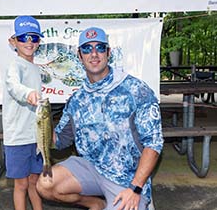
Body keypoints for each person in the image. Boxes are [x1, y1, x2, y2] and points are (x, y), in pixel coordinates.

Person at [36, 27, 164, 210]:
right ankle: (96, 204)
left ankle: (143, 201)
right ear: (80, 56)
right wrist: (39, 124)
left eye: (100, 48)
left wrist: (135, 188)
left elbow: (154, 143)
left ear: (108, 53)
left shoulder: (136, 90)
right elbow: (59, 141)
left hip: (127, 178)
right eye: (87, 49)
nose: (94, 54)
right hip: (91, 168)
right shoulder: (77, 100)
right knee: (45, 184)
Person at [2, 15, 44, 210]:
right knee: (21, 185)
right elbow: (14, 86)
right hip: (17, 138)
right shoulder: (14, 66)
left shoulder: (36, 69)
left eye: (34, 38)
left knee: (34, 182)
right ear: (13, 41)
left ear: (38, 42)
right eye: (23, 37)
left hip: (35, 138)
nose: (29, 42)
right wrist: (28, 93)